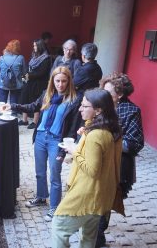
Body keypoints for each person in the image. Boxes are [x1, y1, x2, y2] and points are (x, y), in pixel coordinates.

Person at [4, 66, 82, 221]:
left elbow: (73, 128)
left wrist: (64, 150)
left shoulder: (74, 100)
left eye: (64, 81)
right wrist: (12, 106)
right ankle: (41, 197)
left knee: (55, 175)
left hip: (56, 141)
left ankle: (54, 207)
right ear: (52, 81)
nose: (60, 84)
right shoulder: (47, 95)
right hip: (40, 136)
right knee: (39, 172)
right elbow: (33, 106)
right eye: (57, 81)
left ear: (69, 82)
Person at [51, 89, 122, 248]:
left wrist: (75, 151)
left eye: (84, 106)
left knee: (59, 227)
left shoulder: (96, 135)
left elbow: (92, 170)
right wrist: (83, 140)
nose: (80, 109)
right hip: (99, 196)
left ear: (98, 110)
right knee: (88, 237)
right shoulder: (106, 129)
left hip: (87, 193)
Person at [96, 73, 144, 247]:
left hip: (118, 165)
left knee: (105, 202)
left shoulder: (132, 111)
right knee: (98, 199)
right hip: (97, 162)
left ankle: (98, 240)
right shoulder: (100, 107)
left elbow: (135, 144)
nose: (103, 95)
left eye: (108, 92)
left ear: (120, 94)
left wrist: (107, 141)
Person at [19, 39, 51, 129]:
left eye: (35, 46)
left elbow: (42, 72)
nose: (34, 47)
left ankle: (35, 121)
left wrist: (29, 75)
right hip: (29, 81)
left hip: (39, 83)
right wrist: (25, 74)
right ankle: (24, 120)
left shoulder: (46, 58)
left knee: (36, 101)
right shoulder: (34, 56)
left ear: (40, 46)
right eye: (33, 46)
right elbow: (28, 67)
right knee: (24, 99)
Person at [0, 39, 26, 105]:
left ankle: (2, 114)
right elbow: (23, 72)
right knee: (14, 105)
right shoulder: (20, 58)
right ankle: (14, 114)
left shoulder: (1, 58)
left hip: (2, 84)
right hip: (16, 85)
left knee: (2, 105)